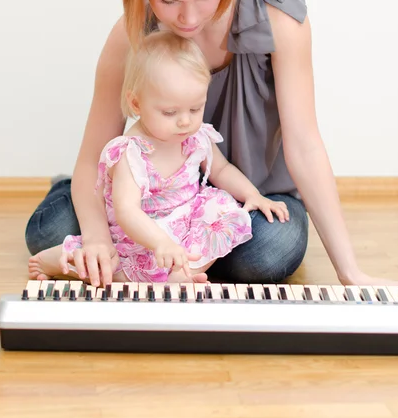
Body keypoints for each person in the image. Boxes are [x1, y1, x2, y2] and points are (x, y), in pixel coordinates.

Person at [25, 0, 398, 289]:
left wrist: (351, 273)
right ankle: (168, 258)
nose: (189, 18)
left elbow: (304, 144)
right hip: (150, 202)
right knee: (52, 230)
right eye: (169, 0)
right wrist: (99, 243)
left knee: (269, 253)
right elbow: (93, 156)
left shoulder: (277, 18)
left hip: (244, 194)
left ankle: (170, 262)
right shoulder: (131, 34)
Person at [28, 31, 290, 283]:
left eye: (195, 108)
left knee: (226, 215)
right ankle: (67, 260)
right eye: (169, 112)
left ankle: (185, 270)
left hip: (183, 218)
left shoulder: (196, 136)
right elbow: (127, 210)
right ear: (137, 104)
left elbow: (221, 171)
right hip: (140, 232)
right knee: (118, 268)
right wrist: (160, 242)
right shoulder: (131, 153)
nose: (185, 121)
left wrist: (252, 194)